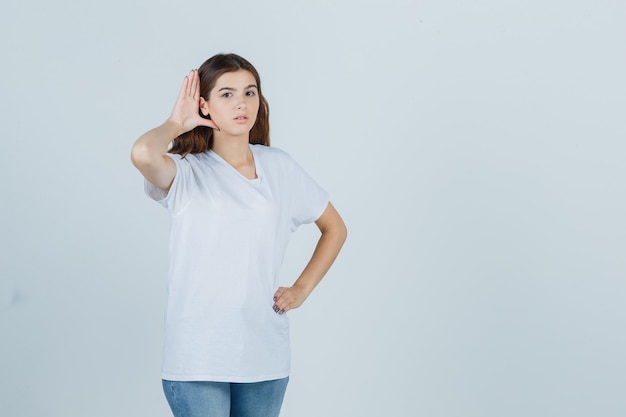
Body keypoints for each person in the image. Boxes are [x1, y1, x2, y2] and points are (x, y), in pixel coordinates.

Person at [130, 53, 347, 417]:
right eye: (226, 94)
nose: (241, 103)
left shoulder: (279, 166)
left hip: (264, 353)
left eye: (250, 92)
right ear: (204, 105)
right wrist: (175, 122)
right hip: (198, 356)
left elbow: (334, 228)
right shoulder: (185, 173)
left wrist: (301, 289)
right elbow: (141, 153)